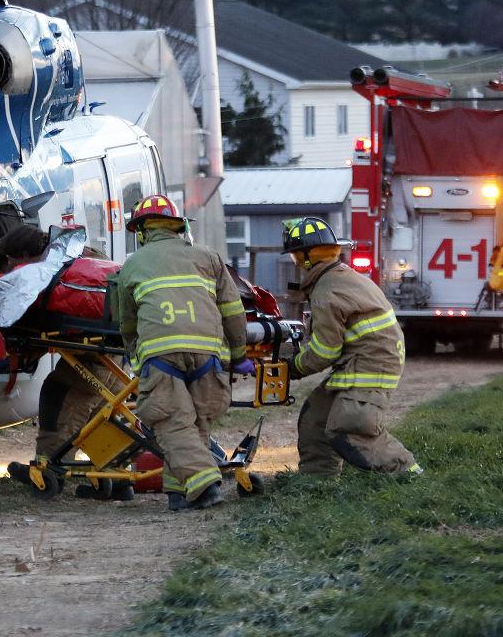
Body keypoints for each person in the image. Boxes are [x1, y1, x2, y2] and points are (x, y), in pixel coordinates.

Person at [115, 195, 253, 511]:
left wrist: (136, 359)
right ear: (180, 227)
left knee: (171, 423)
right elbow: (233, 311)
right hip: (208, 354)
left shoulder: (133, 265)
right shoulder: (209, 257)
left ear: (141, 231)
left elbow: (127, 323)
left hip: (161, 355)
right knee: (196, 423)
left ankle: (204, 484)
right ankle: (180, 493)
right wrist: (239, 353)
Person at [282, 216, 423, 478]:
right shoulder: (339, 277)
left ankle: (410, 476)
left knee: (352, 428)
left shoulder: (327, 291)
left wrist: (292, 367)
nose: (296, 264)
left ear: (307, 257)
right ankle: (317, 483)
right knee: (316, 419)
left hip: (371, 362)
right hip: (364, 359)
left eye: (296, 257)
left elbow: (325, 352)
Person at [0, 225, 129, 499]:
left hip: (95, 353)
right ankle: (115, 476)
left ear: (25, 254)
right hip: (116, 347)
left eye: (12, 260)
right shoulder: (80, 252)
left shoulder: (42, 271)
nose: (11, 266)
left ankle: (47, 469)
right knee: (104, 412)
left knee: (59, 396)